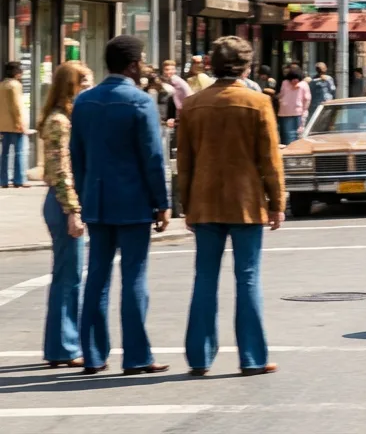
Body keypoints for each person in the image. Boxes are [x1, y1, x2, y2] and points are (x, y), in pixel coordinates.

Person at [178, 36, 285, 377]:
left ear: (211, 65)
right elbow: (270, 159)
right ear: (246, 67)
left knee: (204, 279)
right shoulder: (257, 102)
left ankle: (199, 357)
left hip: (205, 201)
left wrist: (186, 204)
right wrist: (277, 202)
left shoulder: (193, 104)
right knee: (248, 278)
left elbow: (185, 162)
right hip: (247, 203)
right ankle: (252, 357)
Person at [71, 36, 170, 375]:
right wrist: (162, 203)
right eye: (141, 60)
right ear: (131, 65)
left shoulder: (84, 102)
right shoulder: (139, 102)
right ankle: (137, 356)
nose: (144, 66)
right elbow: (153, 158)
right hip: (133, 202)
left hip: (97, 201)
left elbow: (77, 156)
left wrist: (84, 198)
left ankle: (94, 355)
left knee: (96, 278)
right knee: (134, 278)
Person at [39, 61, 93, 368]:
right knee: (68, 277)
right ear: (69, 85)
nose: (88, 88)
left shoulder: (64, 117)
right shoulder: (60, 121)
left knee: (67, 274)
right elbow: (61, 171)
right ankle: (64, 347)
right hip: (62, 202)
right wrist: (73, 211)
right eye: (83, 83)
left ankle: (60, 345)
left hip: (61, 201)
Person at [0, 60, 26, 187]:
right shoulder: (15, 85)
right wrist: (20, 123)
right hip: (15, 125)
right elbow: (16, 106)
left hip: (3, 125)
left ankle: (3, 180)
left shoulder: (2, 84)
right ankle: (19, 179)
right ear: (15, 72)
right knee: (19, 152)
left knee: (4, 154)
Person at [276, 68, 310, 146]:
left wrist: (304, 111)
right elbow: (281, 95)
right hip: (286, 114)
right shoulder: (286, 83)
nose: (295, 81)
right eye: (293, 79)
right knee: (290, 136)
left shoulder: (302, 84)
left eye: (297, 79)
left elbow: (307, 99)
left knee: (293, 136)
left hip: (296, 113)